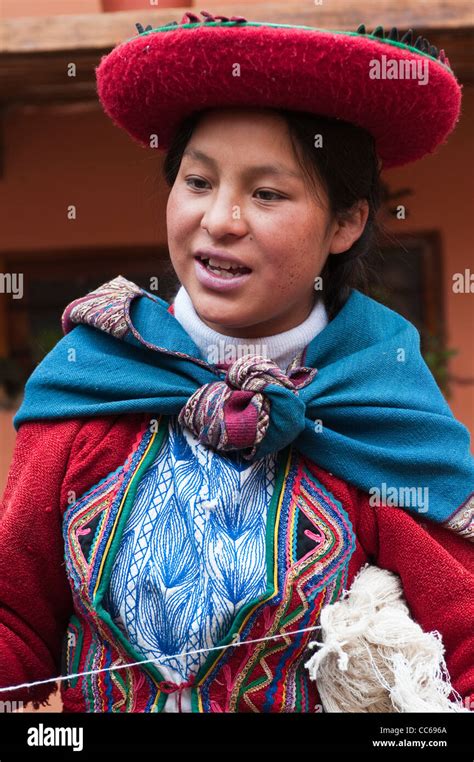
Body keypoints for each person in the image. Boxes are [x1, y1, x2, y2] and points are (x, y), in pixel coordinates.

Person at [0, 11, 472, 714]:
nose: (220, 219)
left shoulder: (375, 407)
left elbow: (463, 648)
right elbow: (15, 621)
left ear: (346, 221)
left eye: (268, 193)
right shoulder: (96, 377)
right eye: (198, 182)